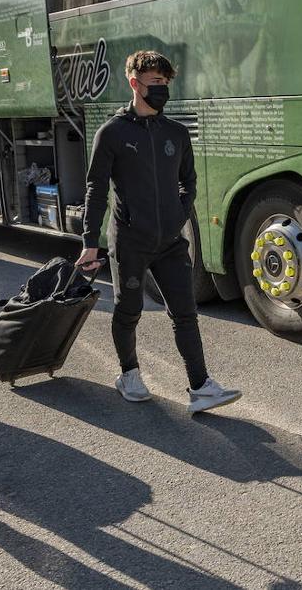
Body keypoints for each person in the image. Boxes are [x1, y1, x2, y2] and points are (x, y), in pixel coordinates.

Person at [76, 50, 241, 414]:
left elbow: (189, 182)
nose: (162, 90)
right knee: (128, 309)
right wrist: (90, 242)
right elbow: (95, 189)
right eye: (155, 83)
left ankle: (200, 387)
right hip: (130, 240)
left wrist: (176, 216)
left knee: (185, 312)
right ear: (135, 84)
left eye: (165, 84)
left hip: (169, 242)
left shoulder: (176, 133)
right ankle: (129, 374)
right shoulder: (112, 133)